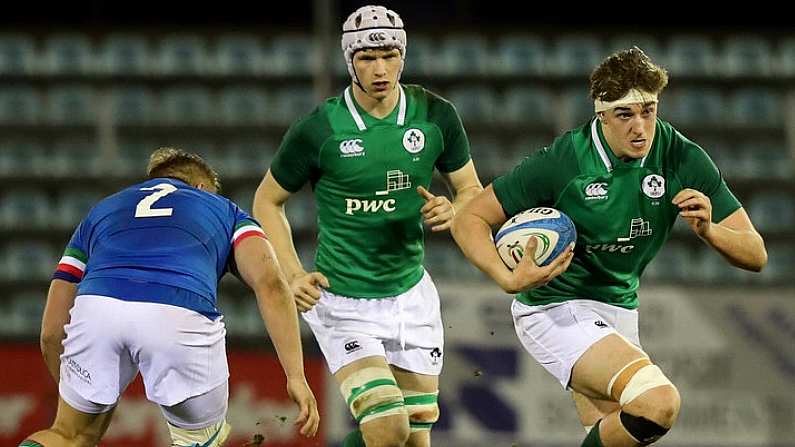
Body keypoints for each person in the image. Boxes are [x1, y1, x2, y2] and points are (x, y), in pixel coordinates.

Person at [451, 47, 767, 447]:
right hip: (556, 307)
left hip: (619, 308)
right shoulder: (564, 161)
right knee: (658, 401)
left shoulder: (681, 156)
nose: (640, 127)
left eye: (648, 111)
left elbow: (756, 254)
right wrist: (508, 277)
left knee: (615, 437)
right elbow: (469, 219)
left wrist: (709, 231)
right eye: (625, 114)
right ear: (601, 114)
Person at [253, 5, 483, 447]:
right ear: (349, 61)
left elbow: (471, 189)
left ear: (403, 54)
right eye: (366, 58)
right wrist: (293, 273)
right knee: (386, 426)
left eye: (390, 55)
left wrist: (454, 209)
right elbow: (266, 201)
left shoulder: (435, 116)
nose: (380, 68)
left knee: (415, 439)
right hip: (344, 302)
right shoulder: (320, 129)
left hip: (411, 296)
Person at [19, 148, 319, 447]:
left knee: (69, 435)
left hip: (96, 310)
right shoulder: (226, 210)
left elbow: (50, 331)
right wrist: (296, 375)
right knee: (199, 439)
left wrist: (76, 387)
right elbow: (270, 283)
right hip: (177, 311)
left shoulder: (103, 210)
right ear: (202, 187)